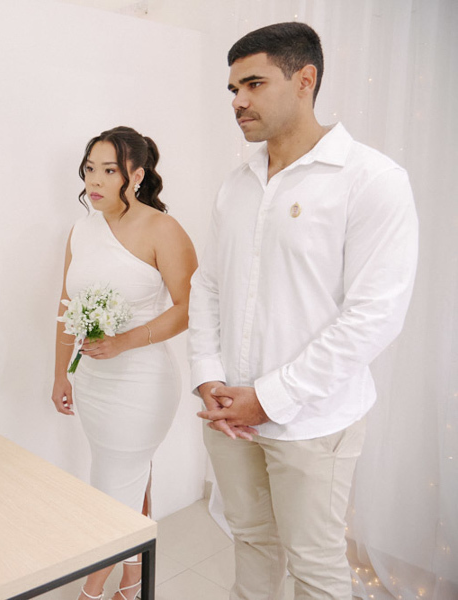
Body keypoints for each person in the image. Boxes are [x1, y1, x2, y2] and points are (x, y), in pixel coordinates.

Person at [188, 22, 418, 599]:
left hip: (313, 422)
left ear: (304, 80)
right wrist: (207, 376)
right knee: (250, 542)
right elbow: (208, 284)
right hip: (227, 412)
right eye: (233, 88)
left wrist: (269, 397)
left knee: (314, 568)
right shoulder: (236, 183)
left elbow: (373, 316)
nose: (238, 101)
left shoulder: (372, 180)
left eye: (254, 84)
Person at [51, 126, 197, 600]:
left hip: (141, 383)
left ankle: (91, 592)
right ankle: (134, 585)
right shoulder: (81, 229)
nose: (94, 180)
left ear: (135, 174)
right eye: (89, 168)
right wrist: (61, 375)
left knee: (111, 491)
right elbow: (66, 305)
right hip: (92, 379)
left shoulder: (163, 229)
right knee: (129, 480)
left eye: (108, 170)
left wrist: (124, 342)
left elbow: (188, 308)